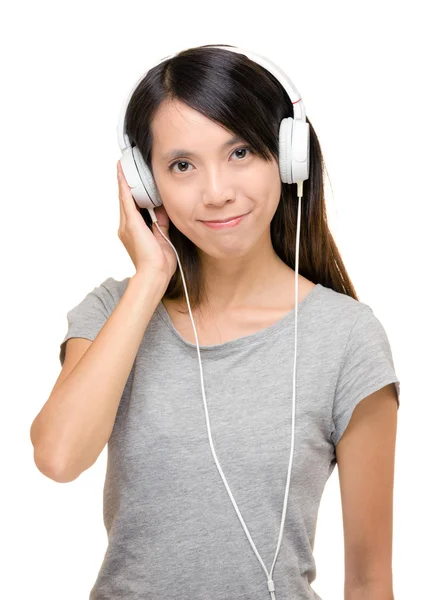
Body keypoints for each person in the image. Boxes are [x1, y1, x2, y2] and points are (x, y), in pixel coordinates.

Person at [30, 44, 400, 600]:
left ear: (287, 155)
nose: (217, 191)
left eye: (241, 152)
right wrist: (151, 274)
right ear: (145, 185)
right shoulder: (112, 311)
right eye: (182, 165)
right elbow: (58, 458)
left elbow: (370, 581)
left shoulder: (347, 339)